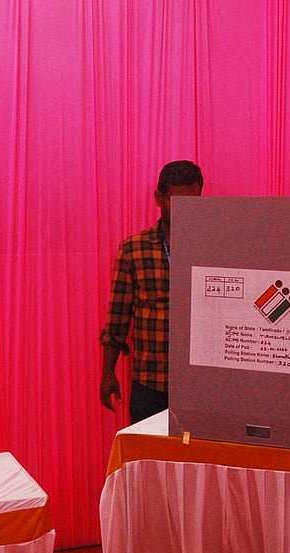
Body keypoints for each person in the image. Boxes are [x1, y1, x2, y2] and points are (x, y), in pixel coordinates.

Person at [99, 160, 204, 423]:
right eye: (175, 201)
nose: (183, 210)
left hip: (200, 382)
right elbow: (118, 318)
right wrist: (108, 373)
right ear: (159, 198)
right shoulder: (134, 249)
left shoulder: (213, 247)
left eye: (191, 202)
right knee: (147, 448)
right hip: (150, 380)